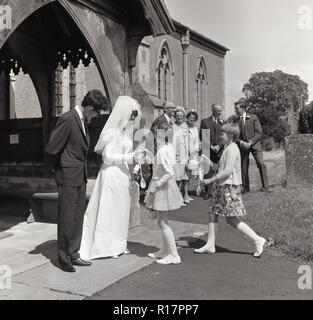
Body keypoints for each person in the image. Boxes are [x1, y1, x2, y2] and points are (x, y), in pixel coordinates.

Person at [45, 90, 108, 273]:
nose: (96, 117)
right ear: (89, 108)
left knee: (77, 217)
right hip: (68, 176)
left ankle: (74, 253)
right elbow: (52, 149)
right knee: (66, 217)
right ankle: (63, 258)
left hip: (79, 176)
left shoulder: (82, 120)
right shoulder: (68, 119)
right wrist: (63, 168)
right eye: (96, 113)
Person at [79, 96, 143, 260]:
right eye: (131, 115)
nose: (133, 119)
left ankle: (118, 244)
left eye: (134, 116)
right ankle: (105, 247)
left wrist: (135, 161)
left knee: (120, 210)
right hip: (111, 174)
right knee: (108, 209)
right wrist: (129, 157)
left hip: (122, 174)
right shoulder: (111, 132)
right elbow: (107, 157)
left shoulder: (125, 133)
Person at [194, 123, 266, 257]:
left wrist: (210, 180)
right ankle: (210, 245)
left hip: (229, 187)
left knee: (231, 219)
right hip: (223, 186)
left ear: (231, 135)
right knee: (213, 213)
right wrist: (208, 162)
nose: (220, 136)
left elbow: (227, 172)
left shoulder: (232, 149)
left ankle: (258, 239)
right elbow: (221, 168)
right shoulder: (228, 148)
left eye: (222, 133)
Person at [145, 123, 184, 265]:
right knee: (163, 220)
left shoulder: (163, 151)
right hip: (164, 186)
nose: (155, 136)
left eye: (156, 133)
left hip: (163, 187)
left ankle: (174, 254)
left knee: (162, 222)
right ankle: (165, 250)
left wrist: (155, 187)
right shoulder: (168, 148)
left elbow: (169, 173)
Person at [234, 101, 270, 193]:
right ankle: (245, 188)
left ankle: (265, 187)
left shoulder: (253, 117)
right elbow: (234, 136)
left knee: (261, 163)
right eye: (235, 109)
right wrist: (241, 142)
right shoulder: (236, 121)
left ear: (242, 108)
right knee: (243, 167)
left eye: (237, 108)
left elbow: (259, 132)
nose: (235, 110)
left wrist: (250, 142)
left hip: (255, 145)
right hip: (243, 146)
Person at [200, 104, 224, 200]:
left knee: (220, 171)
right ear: (212, 110)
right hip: (208, 150)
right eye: (218, 110)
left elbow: (224, 135)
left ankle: (218, 192)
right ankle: (208, 192)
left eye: (220, 110)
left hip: (220, 150)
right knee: (208, 172)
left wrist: (219, 145)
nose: (219, 112)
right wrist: (211, 146)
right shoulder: (205, 121)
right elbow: (203, 136)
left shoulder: (224, 122)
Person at [172, 107, 189, 204]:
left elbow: (187, 140)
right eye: (177, 116)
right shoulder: (172, 126)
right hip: (175, 153)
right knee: (177, 176)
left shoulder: (185, 126)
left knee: (184, 175)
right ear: (175, 117)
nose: (179, 117)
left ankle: (184, 195)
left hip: (184, 152)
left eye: (181, 116)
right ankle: (177, 198)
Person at [185, 110, 201, 202]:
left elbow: (197, 141)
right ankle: (182, 194)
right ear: (187, 118)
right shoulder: (183, 128)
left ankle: (186, 194)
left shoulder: (195, 129)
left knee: (188, 174)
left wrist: (196, 148)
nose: (192, 119)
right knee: (181, 174)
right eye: (190, 117)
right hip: (183, 153)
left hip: (192, 154)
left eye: (193, 118)